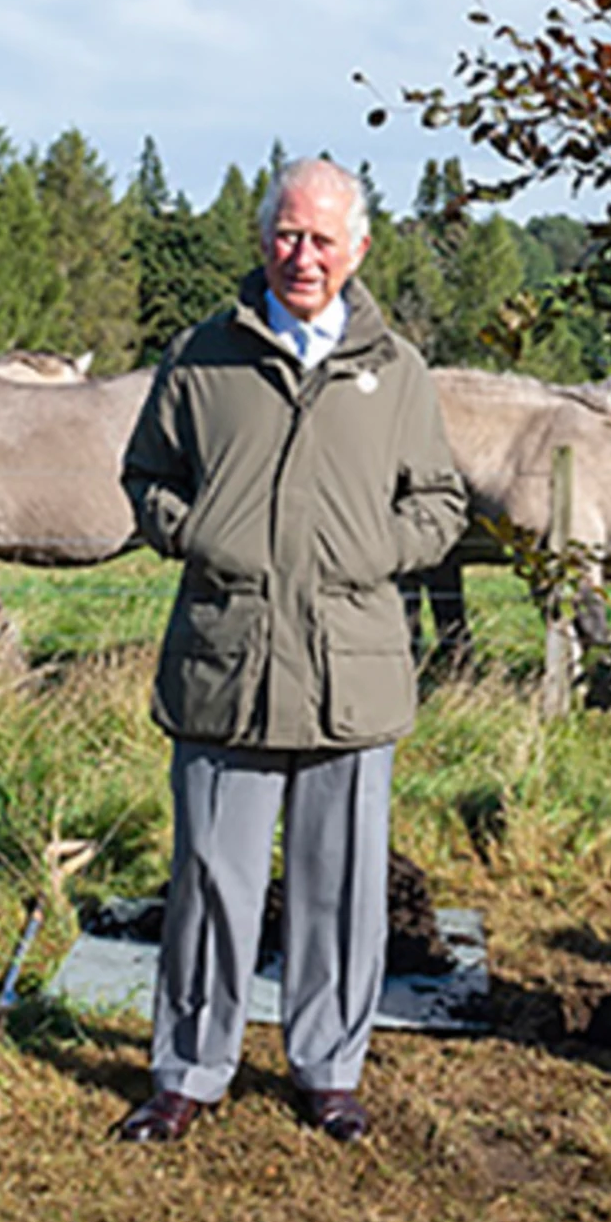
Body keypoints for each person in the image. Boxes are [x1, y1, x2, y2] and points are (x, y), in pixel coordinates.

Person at [111, 156, 467, 1146]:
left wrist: (374, 551)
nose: (301, 254)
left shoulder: (394, 370)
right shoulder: (203, 356)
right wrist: (199, 532)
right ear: (263, 239)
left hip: (353, 664)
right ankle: (188, 1070)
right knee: (211, 883)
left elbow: (438, 500)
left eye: (321, 238)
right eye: (286, 234)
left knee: (342, 884)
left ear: (358, 248)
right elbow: (146, 476)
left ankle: (329, 1069)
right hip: (227, 659)